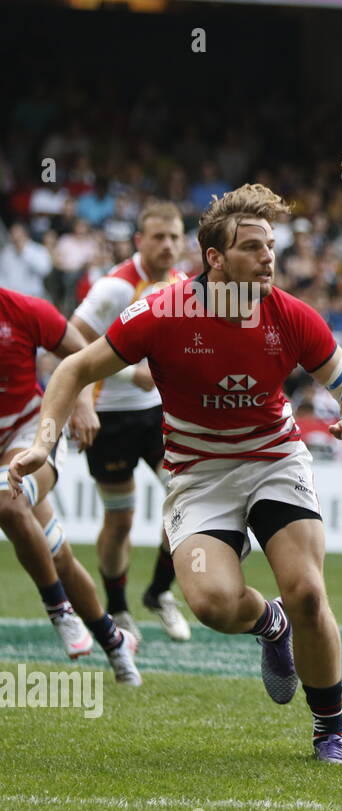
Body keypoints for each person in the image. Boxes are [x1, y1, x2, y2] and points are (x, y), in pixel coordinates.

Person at [8, 184, 342, 763]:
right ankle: (269, 624)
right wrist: (42, 441)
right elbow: (74, 368)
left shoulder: (291, 314)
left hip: (274, 461)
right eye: (252, 247)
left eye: (271, 246)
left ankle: (330, 728)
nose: (268, 258)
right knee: (210, 603)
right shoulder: (162, 312)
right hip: (199, 475)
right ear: (215, 258)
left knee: (307, 591)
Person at [0, 285, 140, 683]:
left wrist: (81, 403)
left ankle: (60, 611)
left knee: (8, 504)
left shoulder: (25, 310)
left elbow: (83, 357)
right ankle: (115, 642)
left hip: (26, 435)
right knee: (55, 554)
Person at [69, 201, 191, 643]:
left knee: (186, 501)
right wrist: (122, 374)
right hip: (109, 418)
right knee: (120, 520)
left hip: (160, 415)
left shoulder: (182, 285)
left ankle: (159, 592)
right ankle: (118, 608)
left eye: (175, 237)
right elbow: (72, 340)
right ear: (140, 240)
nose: (167, 245)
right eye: (158, 237)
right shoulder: (115, 288)